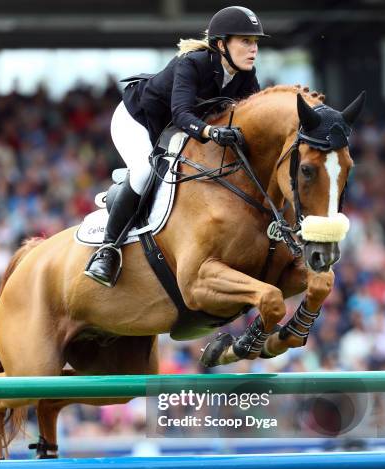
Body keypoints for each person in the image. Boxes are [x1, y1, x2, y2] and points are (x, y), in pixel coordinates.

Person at [84, 5, 269, 287]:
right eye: (245, 41)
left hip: (172, 129)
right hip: (137, 120)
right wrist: (211, 131)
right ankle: (107, 250)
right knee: (146, 172)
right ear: (221, 44)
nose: (253, 48)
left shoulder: (246, 75)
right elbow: (182, 114)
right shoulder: (192, 63)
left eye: (255, 42)